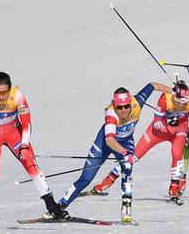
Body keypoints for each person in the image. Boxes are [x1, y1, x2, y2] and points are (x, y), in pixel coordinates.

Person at [0, 71, 67, 228]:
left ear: (10, 89)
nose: (1, 97)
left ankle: (53, 207)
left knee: (31, 164)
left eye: (5, 92)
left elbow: (27, 124)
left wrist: (24, 145)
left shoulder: (17, 96)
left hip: (13, 132)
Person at [58, 82, 170, 222]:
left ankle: (126, 210)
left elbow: (152, 85)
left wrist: (174, 91)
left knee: (127, 168)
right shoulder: (111, 114)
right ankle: (60, 206)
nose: (123, 110)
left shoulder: (138, 101)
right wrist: (125, 153)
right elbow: (109, 140)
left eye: (126, 106)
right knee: (86, 178)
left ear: (130, 103)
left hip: (125, 140)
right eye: (119, 107)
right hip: (104, 143)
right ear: (114, 105)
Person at [93, 80, 189, 204]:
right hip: (159, 131)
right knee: (135, 155)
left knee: (177, 153)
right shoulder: (165, 99)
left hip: (179, 129)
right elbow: (157, 121)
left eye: (183, 103)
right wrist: (168, 122)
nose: (180, 105)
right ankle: (109, 179)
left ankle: (174, 189)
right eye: (178, 102)